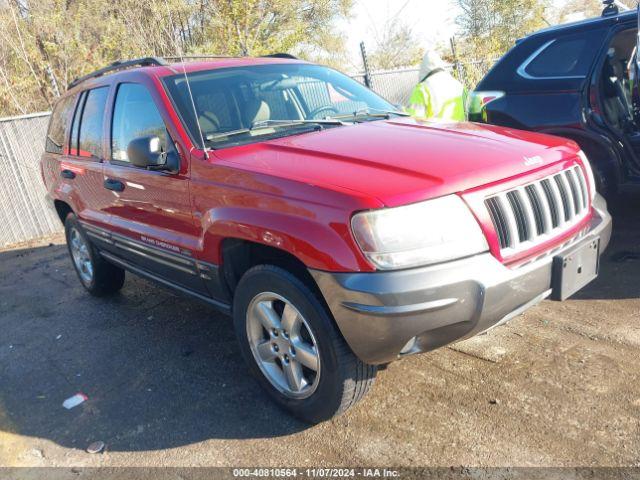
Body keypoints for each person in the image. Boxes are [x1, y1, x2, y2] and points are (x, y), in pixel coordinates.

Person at [407, 50, 466, 122]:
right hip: (460, 131)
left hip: (435, 132)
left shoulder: (422, 89)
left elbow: (413, 122)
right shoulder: (458, 85)